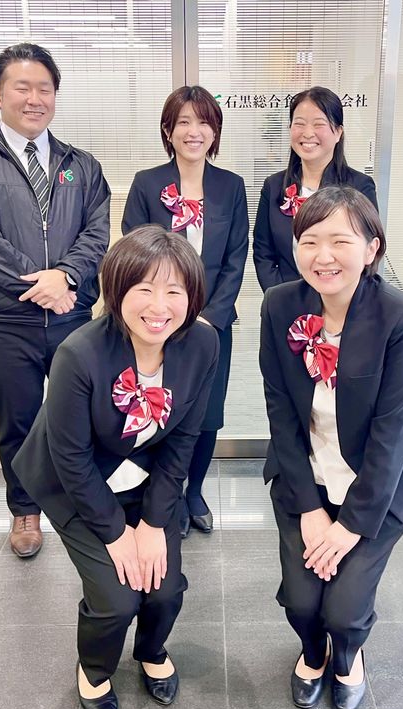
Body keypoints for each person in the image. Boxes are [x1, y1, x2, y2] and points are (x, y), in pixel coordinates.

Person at [11, 225, 219, 709]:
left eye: (174, 291)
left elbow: (183, 440)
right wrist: (115, 534)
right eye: (144, 288)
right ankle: (95, 668)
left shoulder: (202, 344)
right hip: (74, 484)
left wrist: (152, 524)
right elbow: (71, 458)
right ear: (117, 290)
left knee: (165, 587)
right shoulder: (79, 354)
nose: (159, 306)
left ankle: (151, 651)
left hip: (145, 480)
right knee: (115, 599)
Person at [259, 186, 403, 709]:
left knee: (343, 610)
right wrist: (310, 509)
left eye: (340, 241)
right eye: (309, 241)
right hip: (307, 477)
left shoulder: (401, 317)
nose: (323, 256)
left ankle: (347, 655)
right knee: (302, 602)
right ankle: (311, 652)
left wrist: (349, 527)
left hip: (379, 483)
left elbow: (393, 434)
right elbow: (280, 414)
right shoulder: (280, 306)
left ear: (371, 248)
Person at [0, 43, 110, 558]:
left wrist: (66, 278)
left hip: (72, 316)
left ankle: (90, 504)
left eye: (45, 89)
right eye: (23, 87)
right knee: (17, 419)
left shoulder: (81, 165)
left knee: (83, 416)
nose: (35, 98)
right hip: (5, 318)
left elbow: (96, 233)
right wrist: (39, 286)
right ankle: (25, 510)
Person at [122, 85, 249, 536]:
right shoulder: (147, 184)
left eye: (204, 122)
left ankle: (194, 491)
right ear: (168, 131)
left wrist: (210, 318)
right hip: (156, 323)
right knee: (160, 407)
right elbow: (133, 253)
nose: (194, 131)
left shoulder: (231, 186)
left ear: (215, 132)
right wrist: (162, 314)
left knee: (207, 412)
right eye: (184, 123)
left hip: (212, 326)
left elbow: (236, 257)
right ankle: (165, 495)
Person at [253, 86, 377, 292]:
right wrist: (282, 297)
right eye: (299, 124)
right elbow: (263, 252)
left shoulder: (359, 186)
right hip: (286, 300)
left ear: (338, 132)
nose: (308, 133)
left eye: (319, 124)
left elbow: (365, 253)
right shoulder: (273, 186)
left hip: (341, 300)